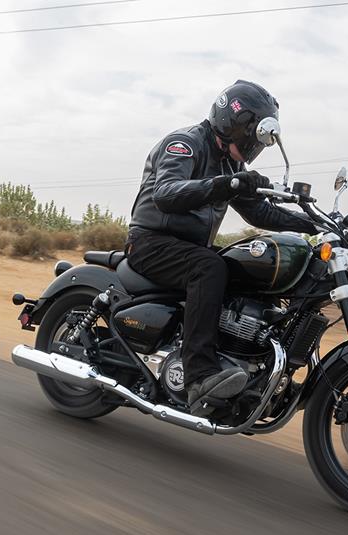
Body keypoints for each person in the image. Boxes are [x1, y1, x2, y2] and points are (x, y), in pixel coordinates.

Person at [125, 80, 318, 416]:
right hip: (151, 242)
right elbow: (167, 193)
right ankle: (199, 376)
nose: (254, 142)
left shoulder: (230, 165)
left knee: (240, 267)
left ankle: (255, 366)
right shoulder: (185, 143)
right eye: (251, 131)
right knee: (209, 266)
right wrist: (226, 184)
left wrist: (313, 225)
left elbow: (259, 211)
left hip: (187, 248)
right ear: (233, 123)